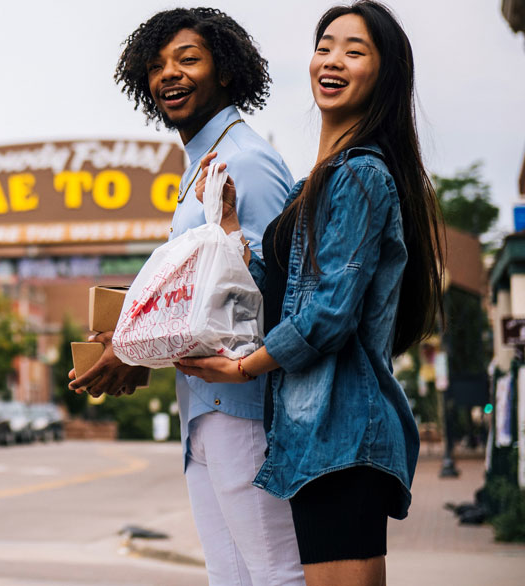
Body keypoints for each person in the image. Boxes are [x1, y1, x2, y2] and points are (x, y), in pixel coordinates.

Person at [178, 2, 442, 585]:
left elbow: (327, 316)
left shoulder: (361, 174)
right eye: (325, 46)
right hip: (311, 437)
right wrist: (227, 234)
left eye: (355, 50)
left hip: (344, 434)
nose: (333, 60)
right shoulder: (310, 185)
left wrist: (244, 367)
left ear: (385, 74)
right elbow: (283, 296)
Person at [71, 8, 303, 586]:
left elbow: (260, 292)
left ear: (224, 70)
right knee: (232, 578)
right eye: (156, 65)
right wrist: (130, 336)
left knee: (276, 575)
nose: (169, 74)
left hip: (244, 405)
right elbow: (202, 287)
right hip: (206, 406)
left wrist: (132, 349)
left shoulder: (242, 160)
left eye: (188, 59)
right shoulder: (202, 160)